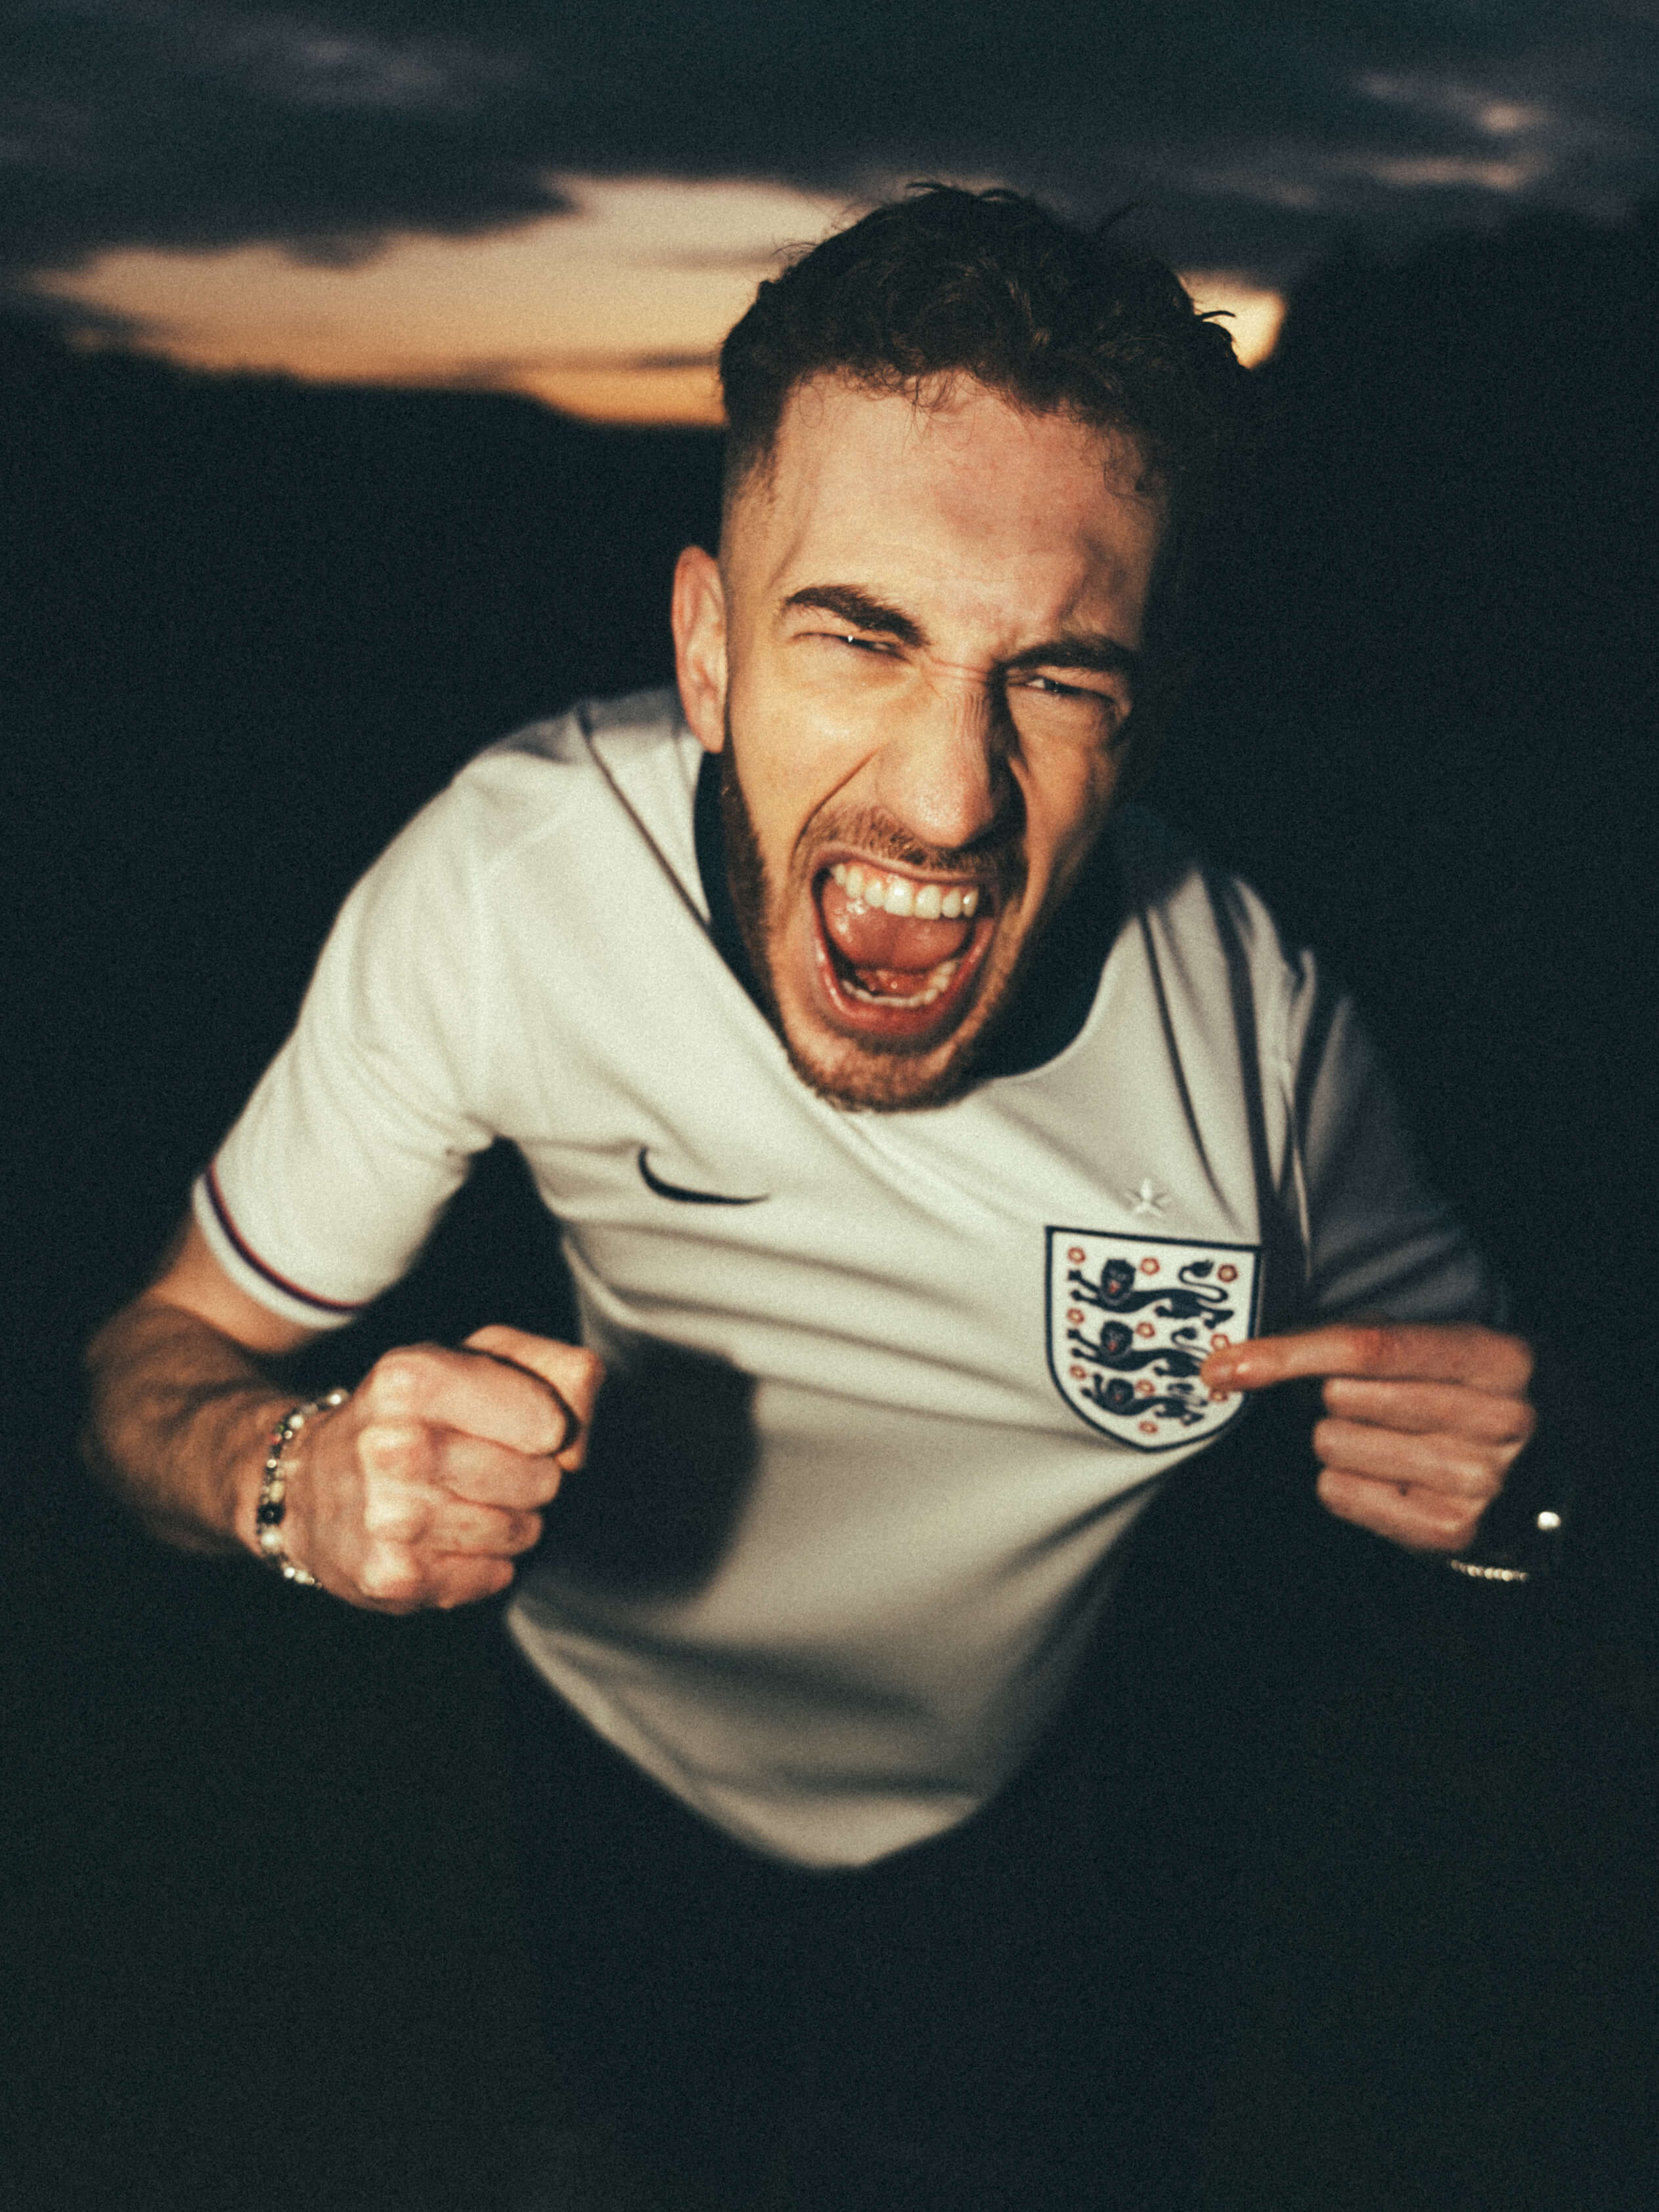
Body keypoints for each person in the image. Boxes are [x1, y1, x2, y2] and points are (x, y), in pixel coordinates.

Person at [84, 188, 1534, 2210]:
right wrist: (293, 1479)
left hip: (1007, 1829)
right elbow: (152, 1369)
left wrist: (1525, 1505)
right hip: (599, 1755)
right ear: (705, 648)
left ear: (1143, 719)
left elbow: (1494, 1452)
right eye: (860, 635)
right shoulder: (510, 891)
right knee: (649, 2130)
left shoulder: (1268, 1044)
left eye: (1055, 676)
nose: (947, 796)